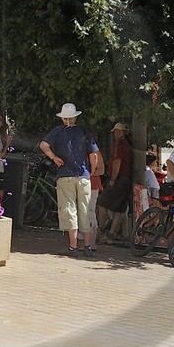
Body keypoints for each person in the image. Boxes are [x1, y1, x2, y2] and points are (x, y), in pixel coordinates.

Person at [39, 103, 100, 257]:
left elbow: (43, 145)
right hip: (83, 176)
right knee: (85, 210)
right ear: (75, 117)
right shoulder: (85, 132)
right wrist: (92, 170)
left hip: (65, 175)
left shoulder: (58, 132)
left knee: (69, 209)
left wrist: (54, 158)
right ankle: (87, 246)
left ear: (63, 118)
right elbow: (94, 154)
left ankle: (73, 247)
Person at [99, 123, 134, 242]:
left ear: (119, 132)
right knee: (119, 209)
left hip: (119, 179)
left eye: (115, 132)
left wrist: (113, 179)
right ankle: (111, 234)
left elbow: (117, 161)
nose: (114, 134)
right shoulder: (129, 144)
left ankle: (101, 230)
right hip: (128, 180)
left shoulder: (120, 144)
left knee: (102, 203)